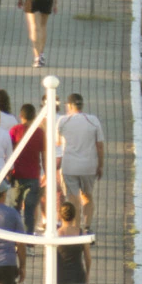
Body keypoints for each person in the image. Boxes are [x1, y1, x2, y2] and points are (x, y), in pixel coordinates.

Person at [55, 93, 105, 229]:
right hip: (89, 166)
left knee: (72, 198)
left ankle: (75, 228)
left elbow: (57, 142)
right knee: (87, 196)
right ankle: (87, 226)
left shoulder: (63, 121)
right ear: (82, 105)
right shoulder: (93, 120)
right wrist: (100, 166)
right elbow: (99, 146)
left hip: (69, 166)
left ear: (69, 106)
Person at [6, 104, 45, 230]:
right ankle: (29, 241)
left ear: (21, 116)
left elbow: (8, 152)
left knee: (14, 209)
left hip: (17, 174)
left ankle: (14, 237)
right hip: (33, 175)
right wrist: (46, 173)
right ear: (34, 117)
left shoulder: (14, 130)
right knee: (30, 210)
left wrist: (7, 172)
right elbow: (44, 155)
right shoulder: (39, 133)